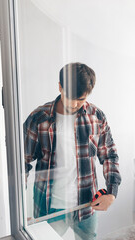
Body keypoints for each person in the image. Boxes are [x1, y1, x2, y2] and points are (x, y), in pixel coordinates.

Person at [23, 62, 121, 240]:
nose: (75, 104)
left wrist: (112, 191)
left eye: (81, 99)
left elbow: (109, 155)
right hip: (48, 207)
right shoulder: (39, 118)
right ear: (60, 86)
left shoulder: (96, 117)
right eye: (71, 97)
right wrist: (19, 209)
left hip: (86, 206)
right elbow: (21, 162)